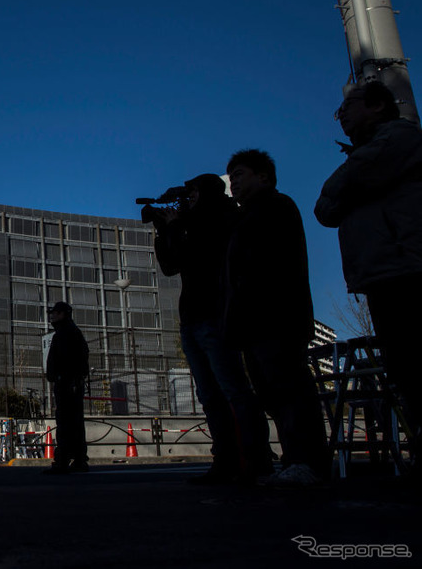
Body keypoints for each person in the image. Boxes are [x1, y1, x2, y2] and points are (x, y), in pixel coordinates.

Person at [315, 81, 422, 473]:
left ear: (377, 106)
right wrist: (349, 188)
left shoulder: (401, 136)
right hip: (380, 273)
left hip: (407, 265)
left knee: (413, 361)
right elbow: (324, 209)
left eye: (348, 106)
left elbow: (340, 185)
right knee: (404, 368)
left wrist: (348, 186)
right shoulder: (366, 154)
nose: (342, 115)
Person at [152, 174, 271, 485]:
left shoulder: (222, 219)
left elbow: (203, 255)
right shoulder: (189, 225)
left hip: (216, 315)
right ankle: (226, 459)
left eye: (192, 194)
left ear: (206, 193)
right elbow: (170, 266)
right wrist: (163, 230)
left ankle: (256, 457)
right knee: (209, 394)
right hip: (191, 318)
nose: (188, 201)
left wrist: (177, 225)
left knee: (233, 389)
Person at [225, 149, 329, 486]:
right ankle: (295, 461)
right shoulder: (247, 217)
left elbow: (269, 268)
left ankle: (307, 461)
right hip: (255, 321)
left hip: (277, 317)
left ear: (264, 176)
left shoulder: (277, 207)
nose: (234, 182)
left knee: (290, 389)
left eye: (239, 174)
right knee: (272, 394)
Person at [43, 301, 90, 474]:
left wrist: (62, 376)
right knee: (74, 422)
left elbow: (64, 359)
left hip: (66, 384)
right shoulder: (72, 332)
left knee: (65, 422)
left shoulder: (65, 334)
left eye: (55, 313)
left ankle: (63, 460)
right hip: (71, 383)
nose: (52, 316)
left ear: (62, 314)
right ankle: (78, 459)